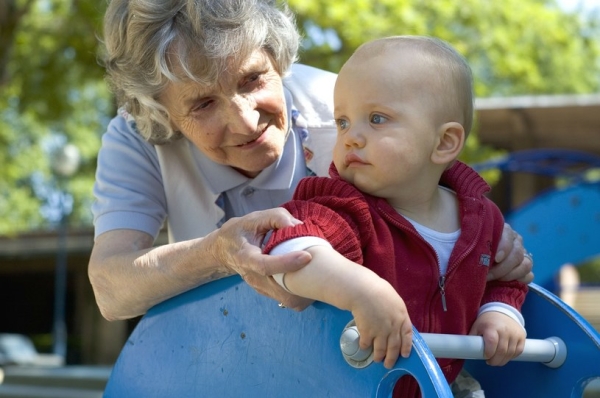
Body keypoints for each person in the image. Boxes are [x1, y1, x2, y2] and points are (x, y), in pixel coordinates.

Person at [89, 0, 533, 324]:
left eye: (252, 78)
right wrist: (217, 253)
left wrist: (482, 227)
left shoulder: (345, 111)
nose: (245, 122)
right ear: (163, 111)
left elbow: (429, 167)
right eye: (203, 104)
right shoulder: (139, 137)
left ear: (278, 59)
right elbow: (111, 289)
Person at [262, 36, 528, 397]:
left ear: (444, 142)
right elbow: (286, 249)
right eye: (342, 122)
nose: (351, 137)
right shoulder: (345, 208)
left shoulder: (482, 220)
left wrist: (500, 312)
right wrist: (361, 289)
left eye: (376, 119)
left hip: (441, 383)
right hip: (350, 386)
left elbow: (506, 278)